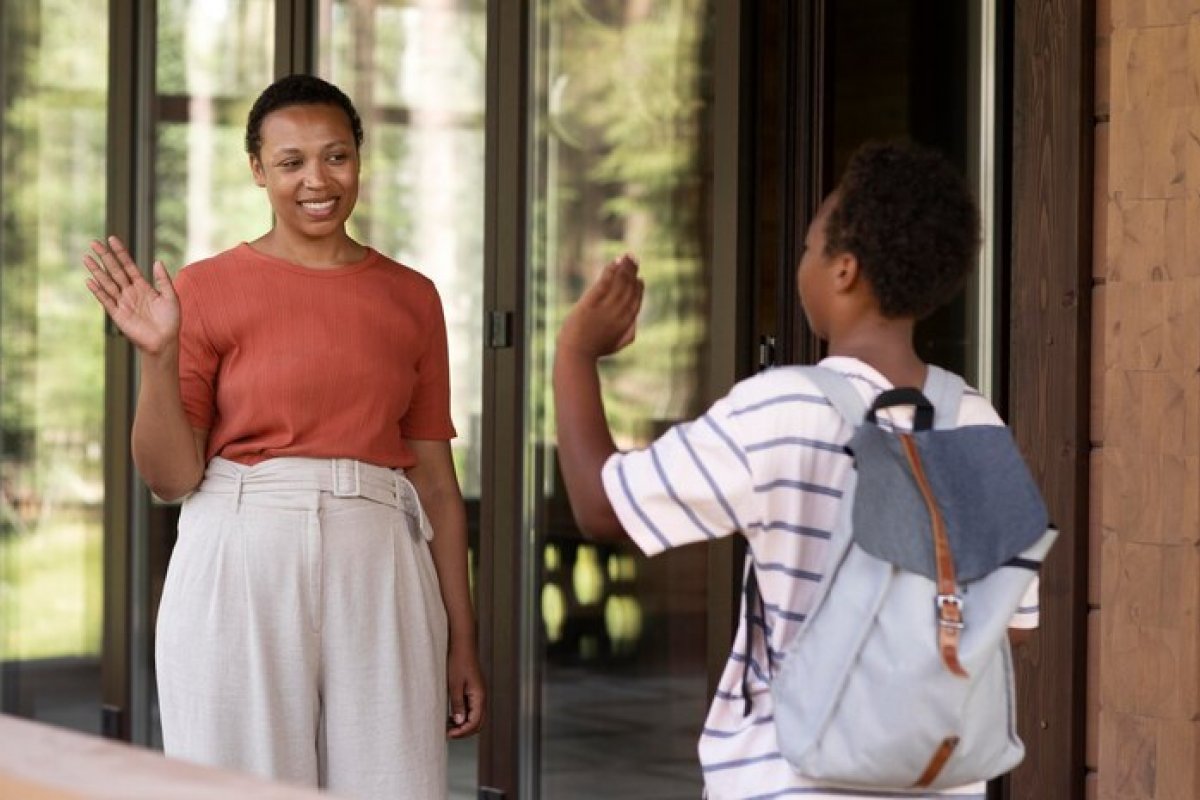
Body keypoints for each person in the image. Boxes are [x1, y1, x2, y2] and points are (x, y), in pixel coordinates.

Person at [552, 140, 1039, 799]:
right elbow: (1008, 621)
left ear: (843, 271)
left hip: (788, 776)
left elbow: (602, 508)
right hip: (939, 780)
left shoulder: (784, 405)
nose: (802, 261)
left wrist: (575, 354)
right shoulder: (979, 423)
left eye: (810, 247)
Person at [82, 74, 484, 800]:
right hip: (241, 548)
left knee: (396, 785)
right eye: (291, 162)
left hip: (381, 554)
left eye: (335, 157)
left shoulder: (411, 297)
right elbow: (170, 479)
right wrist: (158, 359)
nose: (316, 181)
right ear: (257, 170)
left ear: (359, 158)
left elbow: (436, 482)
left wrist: (463, 637)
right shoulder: (203, 291)